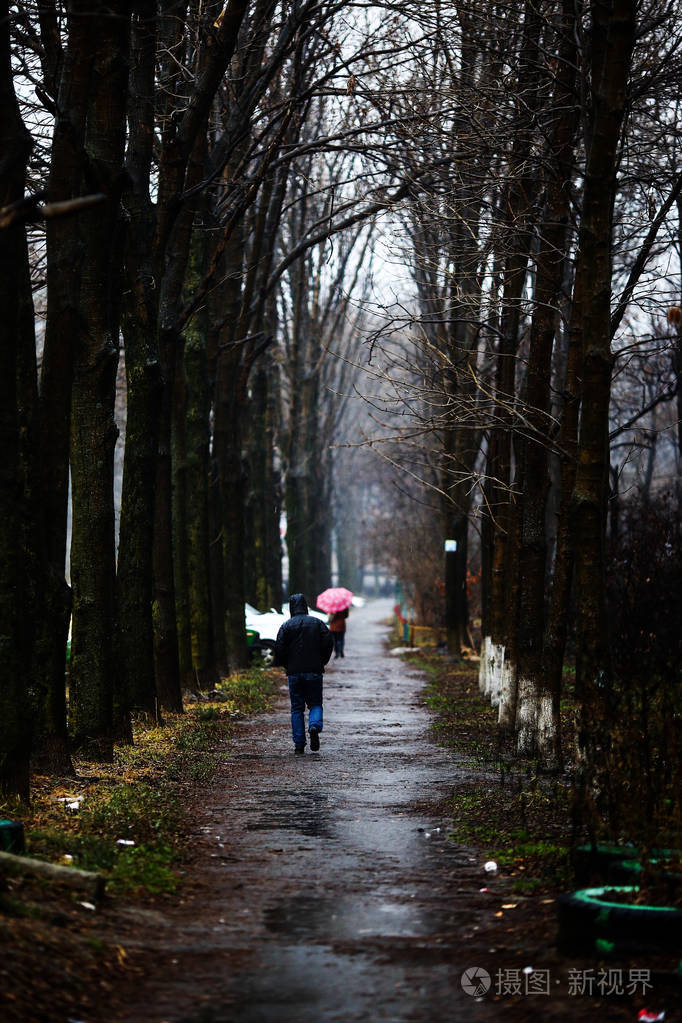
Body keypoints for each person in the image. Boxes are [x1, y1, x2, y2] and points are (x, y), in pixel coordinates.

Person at [274, 593, 334, 755]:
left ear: (292, 608)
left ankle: (299, 744)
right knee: (315, 704)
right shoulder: (317, 623)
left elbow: (279, 649)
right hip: (314, 671)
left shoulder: (286, 626)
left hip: (294, 672)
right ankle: (314, 725)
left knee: (297, 708)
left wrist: (288, 664)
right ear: (305, 606)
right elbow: (328, 643)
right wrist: (322, 661)